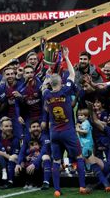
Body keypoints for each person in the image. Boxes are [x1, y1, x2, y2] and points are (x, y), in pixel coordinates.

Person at [42, 47, 89, 196]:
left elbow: (43, 86)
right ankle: (82, 187)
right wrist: (67, 57)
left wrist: (47, 76)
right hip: (68, 131)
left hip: (54, 132)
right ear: (61, 82)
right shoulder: (65, 90)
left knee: (56, 161)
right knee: (79, 157)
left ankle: (56, 190)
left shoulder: (46, 94)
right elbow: (73, 74)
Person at [76, 108, 110, 192]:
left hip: (86, 145)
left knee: (83, 161)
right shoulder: (84, 123)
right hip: (86, 145)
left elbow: (85, 132)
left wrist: (77, 129)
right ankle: (107, 185)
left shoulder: (86, 123)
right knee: (92, 163)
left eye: (82, 115)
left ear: (86, 116)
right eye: (78, 115)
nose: (79, 117)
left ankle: (85, 184)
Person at [15, 121, 51, 190]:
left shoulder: (45, 138)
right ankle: (27, 182)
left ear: (40, 128)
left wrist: (34, 164)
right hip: (32, 160)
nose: (36, 128)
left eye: (37, 126)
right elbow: (22, 152)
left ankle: (46, 182)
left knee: (45, 157)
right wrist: (18, 163)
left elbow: (43, 152)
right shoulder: (27, 138)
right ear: (29, 129)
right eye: (33, 127)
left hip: (45, 162)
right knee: (21, 162)